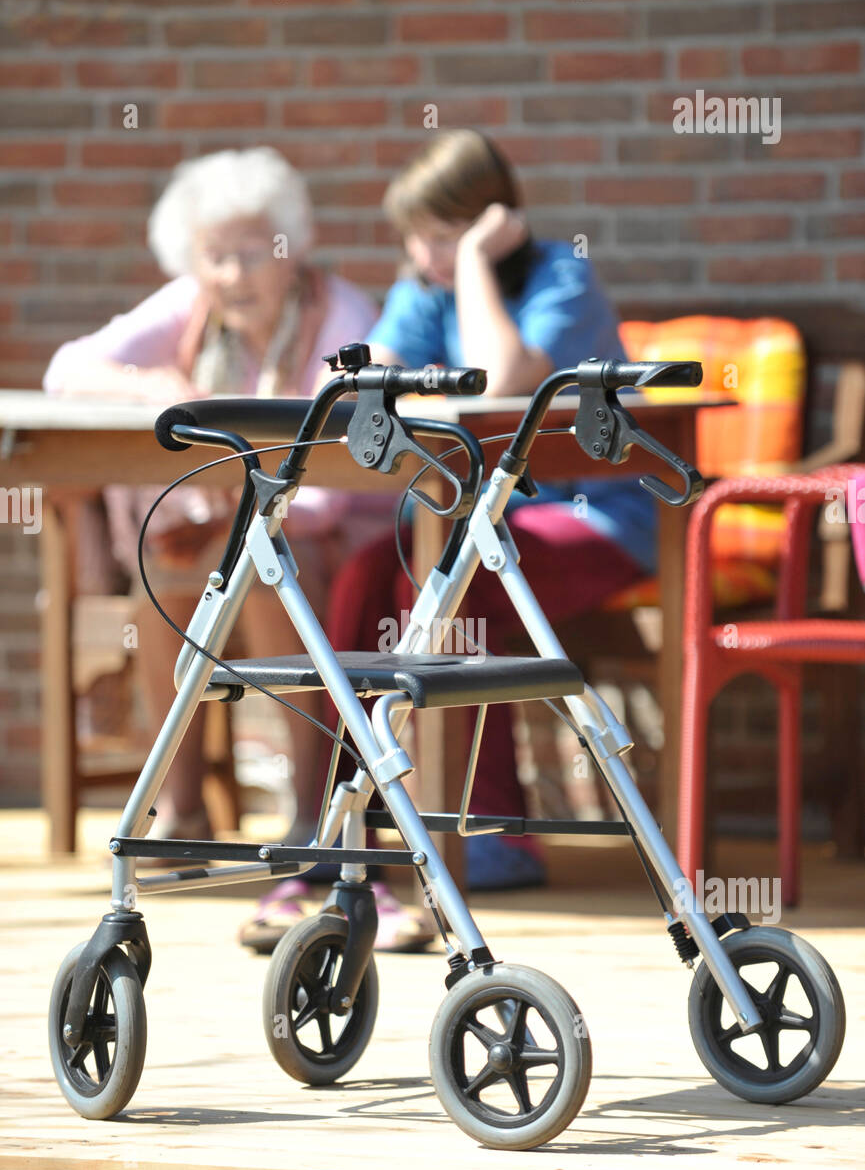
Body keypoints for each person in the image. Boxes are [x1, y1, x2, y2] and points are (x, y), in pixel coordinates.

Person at [243, 130, 650, 954]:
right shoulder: (422, 289)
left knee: (440, 585)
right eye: (415, 238)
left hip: (592, 519)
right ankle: (345, 827)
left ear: (488, 222)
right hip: (481, 526)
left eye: (439, 234)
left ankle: (488, 834)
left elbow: (503, 383)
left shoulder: (558, 280)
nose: (420, 254)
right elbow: (358, 383)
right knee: (366, 574)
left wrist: (469, 264)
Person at [43, 146, 385, 857]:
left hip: (342, 538)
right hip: (226, 532)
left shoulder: (341, 315)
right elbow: (67, 367)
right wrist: (156, 387)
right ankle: (183, 810)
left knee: (264, 571)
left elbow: (332, 488)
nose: (232, 276)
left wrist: (239, 507)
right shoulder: (191, 307)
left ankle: (310, 806)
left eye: (253, 254)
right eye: (215, 256)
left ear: (292, 247)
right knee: (166, 578)